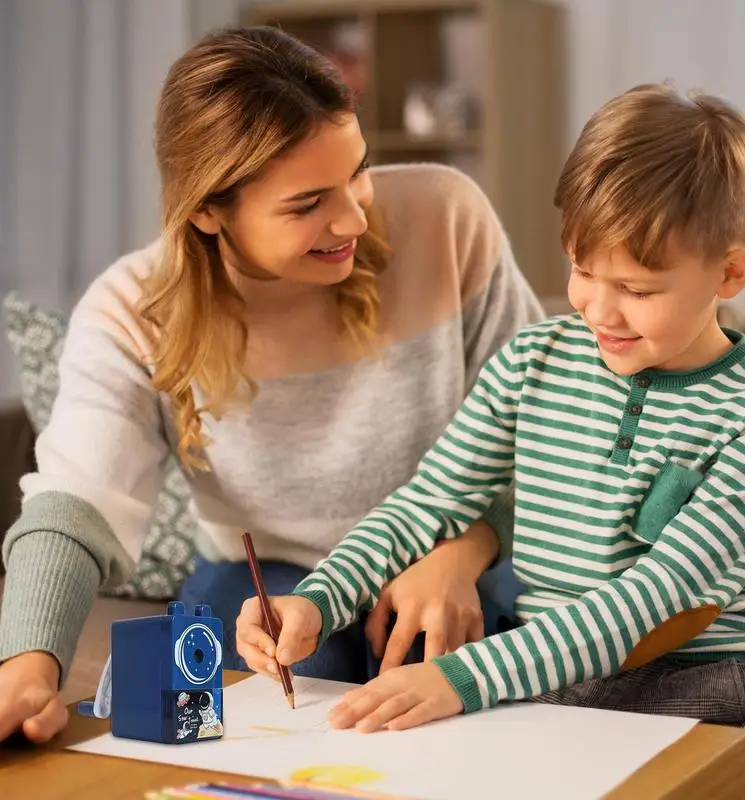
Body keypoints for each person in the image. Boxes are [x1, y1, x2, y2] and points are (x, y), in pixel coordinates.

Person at [0, 26, 544, 744]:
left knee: (451, 669)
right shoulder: (131, 311)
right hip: (267, 580)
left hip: (450, 553)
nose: (354, 217)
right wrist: (27, 665)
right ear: (207, 210)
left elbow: (543, 430)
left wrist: (462, 552)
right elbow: (76, 505)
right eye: (307, 202)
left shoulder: (447, 220)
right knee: (294, 684)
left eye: (358, 170)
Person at [240, 83, 745, 757]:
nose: (599, 310)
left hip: (690, 677)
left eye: (636, 289)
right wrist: (316, 600)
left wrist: (463, 679)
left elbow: (659, 597)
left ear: (730, 274)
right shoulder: (532, 361)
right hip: (540, 666)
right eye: (583, 270)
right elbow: (426, 505)